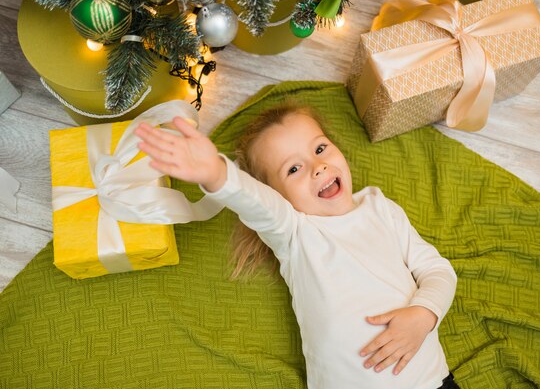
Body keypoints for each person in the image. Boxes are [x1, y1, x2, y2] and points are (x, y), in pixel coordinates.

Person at [134, 102, 459, 389]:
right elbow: (255, 202)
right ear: (278, 196)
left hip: (429, 380)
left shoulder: (381, 208)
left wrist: (423, 314)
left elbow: (437, 270)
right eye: (293, 169)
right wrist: (216, 173)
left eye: (320, 149)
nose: (317, 167)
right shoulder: (295, 233)